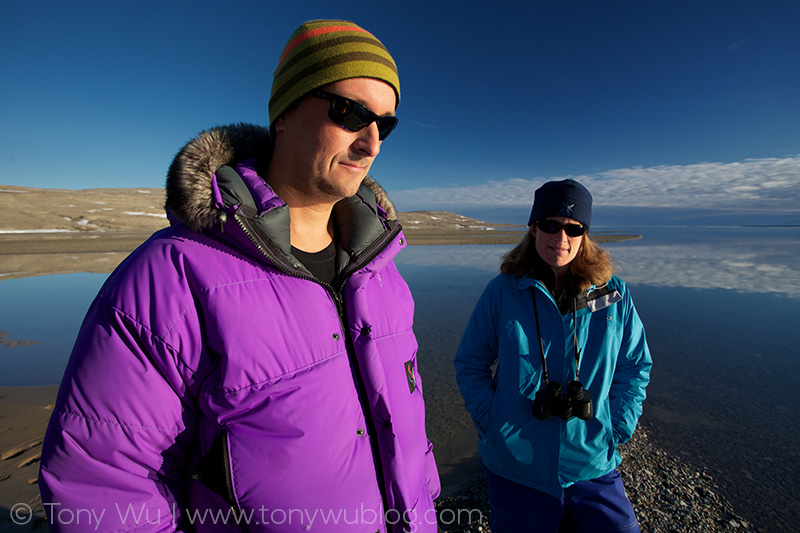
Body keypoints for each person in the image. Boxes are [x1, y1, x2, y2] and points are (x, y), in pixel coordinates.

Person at [39, 19, 440, 532]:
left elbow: (407, 430)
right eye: (350, 112)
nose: (372, 143)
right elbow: (103, 490)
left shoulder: (383, 274)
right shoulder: (170, 278)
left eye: (386, 124)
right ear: (286, 111)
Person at [454, 179, 652, 532]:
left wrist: (618, 425)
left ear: (585, 235)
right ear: (533, 228)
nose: (561, 238)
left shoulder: (613, 294)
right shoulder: (503, 291)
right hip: (516, 467)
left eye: (574, 228)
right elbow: (470, 362)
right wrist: (491, 421)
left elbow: (635, 365)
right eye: (551, 225)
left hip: (592, 463)